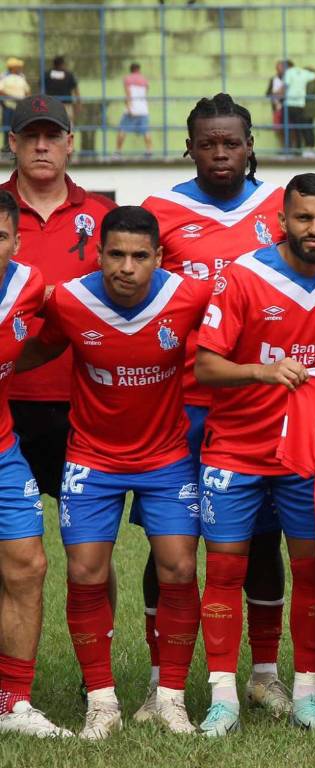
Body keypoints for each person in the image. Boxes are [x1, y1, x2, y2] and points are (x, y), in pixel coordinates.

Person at [192, 173, 315, 737]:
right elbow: (206, 366)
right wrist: (262, 371)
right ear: (282, 220)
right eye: (303, 218)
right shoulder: (244, 275)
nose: (313, 229)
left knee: (312, 571)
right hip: (237, 448)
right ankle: (223, 698)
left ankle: (305, 695)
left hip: (311, 452)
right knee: (225, 569)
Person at [17, 206, 210, 739]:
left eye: (139, 256)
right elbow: (37, 345)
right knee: (85, 573)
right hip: (92, 458)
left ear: (160, 257)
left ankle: (169, 698)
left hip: (166, 457)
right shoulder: (70, 300)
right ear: (98, 254)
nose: (127, 267)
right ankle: (101, 702)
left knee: (179, 569)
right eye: (116, 255)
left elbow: (241, 326)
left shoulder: (190, 296)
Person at [140, 93, 290, 722]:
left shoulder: (280, 207)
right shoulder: (161, 212)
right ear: (190, 148)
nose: (220, 153)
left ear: (250, 145)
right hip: (182, 406)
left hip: (260, 405)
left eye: (231, 143)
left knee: (260, 540)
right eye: (208, 143)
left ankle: (264, 675)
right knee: (170, 546)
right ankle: (161, 682)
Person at [1, 94, 115, 502]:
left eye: (52, 136)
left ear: (69, 143)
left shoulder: (103, 214)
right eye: (31, 136)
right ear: (12, 143)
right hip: (5, 399)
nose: (41, 146)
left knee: (86, 533)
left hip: (82, 398)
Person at [0, 190, 73, 738]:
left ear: (16, 242)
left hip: (4, 448)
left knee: (28, 565)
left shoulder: (28, 284)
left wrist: (13, 365)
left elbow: (60, 326)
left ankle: (13, 703)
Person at [283, 60, 315, 157]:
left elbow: (307, 93)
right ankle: (308, 148)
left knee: (307, 129)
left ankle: (310, 148)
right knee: (306, 128)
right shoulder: (310, 82)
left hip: (308, 110)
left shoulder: (310, 83)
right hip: (308, 109)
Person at [115, 63, 152, 156]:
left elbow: (128, 95)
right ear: (139, 69)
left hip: (131, 109)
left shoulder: (127, 79)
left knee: (122, 130)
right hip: (143, 109)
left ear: (131, 70)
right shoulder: (145, 79)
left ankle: (118, 151)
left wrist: (129, 107)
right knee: (146, 131)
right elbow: (145, 93)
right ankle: (149, 151)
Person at [0, 59, 31, 149]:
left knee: (19, 127)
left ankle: (18, 146)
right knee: (7, 127)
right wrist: (12, 98)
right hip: (8, 106)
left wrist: (25, 100)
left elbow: (27, 91)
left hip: (20, 107)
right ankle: (7, 147)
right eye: (18, 67)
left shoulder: (21, 77)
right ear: (12, 68)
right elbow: (1, 91)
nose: (19, 69)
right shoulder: (4, 77)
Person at [42, 57, 79, 125]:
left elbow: (41, 88)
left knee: (52, 123)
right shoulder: (68, 74)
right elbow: (76, 90)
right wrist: (78, 103)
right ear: (62, 64)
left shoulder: (47, 74)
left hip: (51, 104)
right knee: (68, 123)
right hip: (66, 105)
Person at [266, 60, 287, 152]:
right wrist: (275, 94)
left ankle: (290, 148)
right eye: (278, 68)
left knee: (289, 129)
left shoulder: (288, 79)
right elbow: (267, 93)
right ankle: (283, 148)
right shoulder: (273, 79)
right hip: (276, 109)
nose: (280, 70)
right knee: (279, 130)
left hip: (287, 108)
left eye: (281, 68)